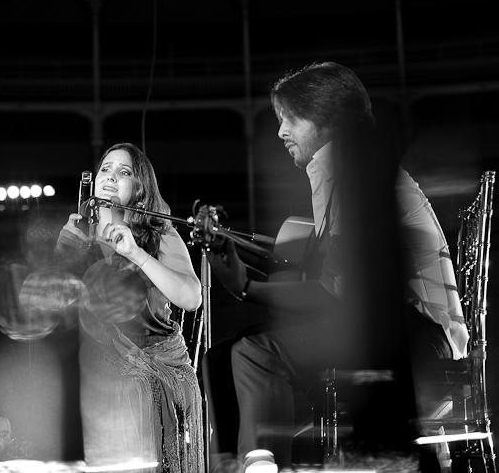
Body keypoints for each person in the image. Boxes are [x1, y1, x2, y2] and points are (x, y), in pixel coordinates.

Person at [207, 62, 468, 468]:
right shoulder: (346, 169)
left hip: (416, 338)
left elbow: (337, 293)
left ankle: (261, 463)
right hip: (407, 329)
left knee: (255, 353)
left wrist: (245, 287)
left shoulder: (340, 171)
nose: (280, 132)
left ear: (324, 116)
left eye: (289, 118)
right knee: (227, 354)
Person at [56, 142, 205, 472]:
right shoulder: (81, 235)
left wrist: (137, 253)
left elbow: (191, 298)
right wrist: (61, 260)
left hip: (157, 367)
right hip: (98, 370)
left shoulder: (159, 234)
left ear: (141, 189)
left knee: (132, 388)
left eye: (124, 173)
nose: (110, 177)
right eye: (105, 170)